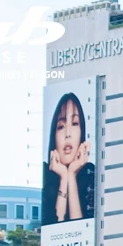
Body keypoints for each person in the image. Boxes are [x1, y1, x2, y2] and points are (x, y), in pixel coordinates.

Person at [43, 92, 96, 225]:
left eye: (74, 124)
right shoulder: (44, 174)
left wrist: (71, 175)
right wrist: (63, 178)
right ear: (53, 135)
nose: (68, 134)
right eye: (61, 127)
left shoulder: (90, 173)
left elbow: (79, 231)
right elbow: (54, 229)